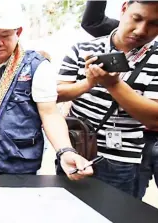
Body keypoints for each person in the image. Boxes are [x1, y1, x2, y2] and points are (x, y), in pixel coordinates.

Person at [0, 0, 92, 180]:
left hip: (18, 161)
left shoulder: (36, 67)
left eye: (5, 35)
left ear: (18, 32)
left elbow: (50, 114)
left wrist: (65, 151)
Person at [57, 1, 158, 197]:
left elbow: (153, 118)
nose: (141, 30)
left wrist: (113, 85)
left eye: (154, 24)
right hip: (76, 151)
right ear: (123, 9)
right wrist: (88, 83)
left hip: (123, 163)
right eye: (136, 18)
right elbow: (56, 94)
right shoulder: (82, 48)